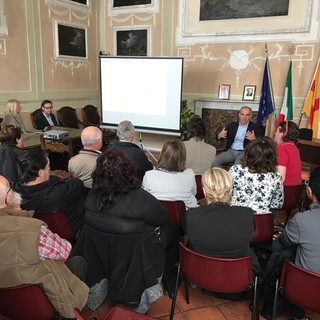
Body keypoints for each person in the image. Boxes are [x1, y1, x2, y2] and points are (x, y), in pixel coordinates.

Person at [72, 149, 169, 313]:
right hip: (135, 261)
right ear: (129, 172)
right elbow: (162, 218)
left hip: (102, 257)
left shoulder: (91, 197)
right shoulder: (142, 198)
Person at [0, 175, 89, 319]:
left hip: (7, 305)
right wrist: (20, 216)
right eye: (10, 187)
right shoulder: (33, 230)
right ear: (8, 199)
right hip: (42, 301)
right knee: (78, 262)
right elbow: (65, 251)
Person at [184, 167, 260, 298]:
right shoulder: (246, 214)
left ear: (205, 191)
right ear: (231, 190)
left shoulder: (191, 215)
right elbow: (250, 236)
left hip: (199, 274)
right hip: (238, 277)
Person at [265, 167, 320, 320]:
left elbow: (278, 246)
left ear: (309, 191)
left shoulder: (302, 220)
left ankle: (297, 313)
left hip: (302, 291)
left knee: (288, 252)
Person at [13, 149, 85, 232]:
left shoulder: (13, 191)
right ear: (40, 172)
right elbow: (78, 183)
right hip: (69, 231)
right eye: (48, 166)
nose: (50, 168)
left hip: (34, 232)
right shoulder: (57, 192)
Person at [229, 137, 284, 214]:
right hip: (261, 222)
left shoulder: (235, 170)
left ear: (248, 153)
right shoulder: (276, 177)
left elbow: (225, 194)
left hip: (236, 218)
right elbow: (277, 204)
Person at [142, 139, 198, 209]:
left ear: (162, 154)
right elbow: (194, 193)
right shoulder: (190, 174)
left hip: (156, 217)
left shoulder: (149, 175)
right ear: (182, 157)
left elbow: (144, 198)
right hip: (184, 217)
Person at [274, 121, 302, 186]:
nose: (275, 133)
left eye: (277, 131)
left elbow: (280, 178)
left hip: (285, 190)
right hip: (294, 191)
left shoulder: (281, 148)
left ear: (282, 134)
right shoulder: (294, 148)